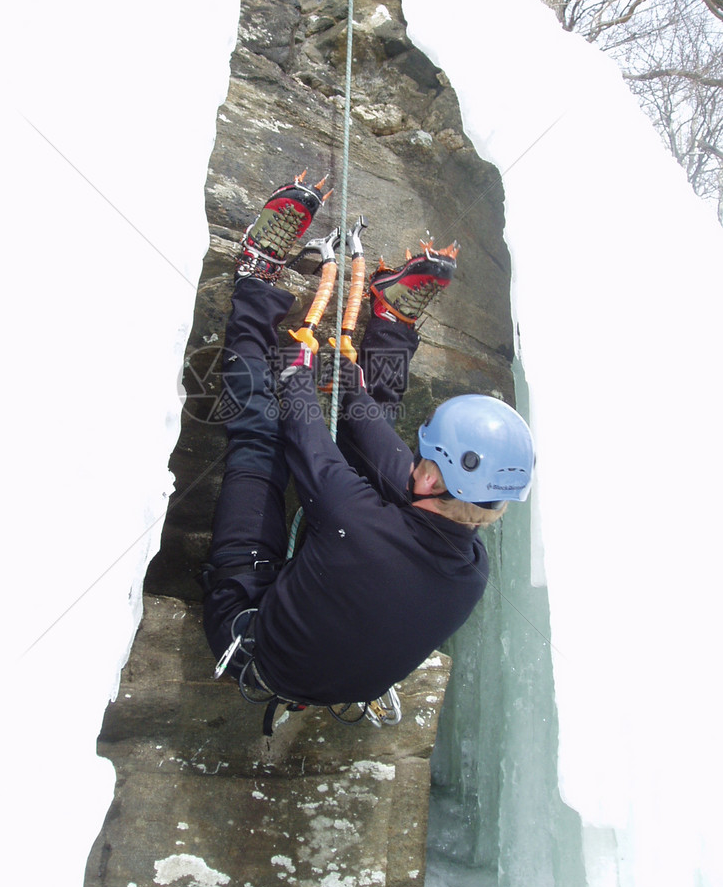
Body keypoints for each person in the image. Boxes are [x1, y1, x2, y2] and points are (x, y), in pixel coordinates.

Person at [200, 174, 534, 722]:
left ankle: (255, 279)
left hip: (253, 636)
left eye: (424, 459)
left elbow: (304, 434)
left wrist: (299, 373)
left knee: (258, 444)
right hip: (341, 603)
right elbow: (393, 467)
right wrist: (351, 385)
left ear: (429, 479)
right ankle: (389, 319)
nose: (415, 462)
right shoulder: (469, 564)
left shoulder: (359, 520)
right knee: (370, 440)